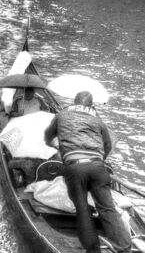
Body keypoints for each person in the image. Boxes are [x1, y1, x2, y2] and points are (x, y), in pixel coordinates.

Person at [44, 91, 132, 253]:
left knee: (83, 208)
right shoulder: (98, 121)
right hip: (98, 168)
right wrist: (99, 160)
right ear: (91, 106)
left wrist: (58, 146)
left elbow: (47, 137)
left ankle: (93, 250)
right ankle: (125, 247)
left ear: (74, 102)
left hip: (74, 168)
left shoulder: (61, 115)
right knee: (107, 209)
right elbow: (107, 146)